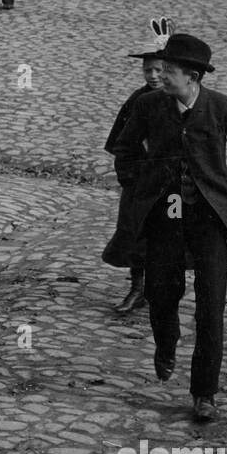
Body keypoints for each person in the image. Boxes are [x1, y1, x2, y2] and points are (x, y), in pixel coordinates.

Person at [110, 33, 227, 422]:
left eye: (168, 72)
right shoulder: (148, 106)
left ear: (193, 77)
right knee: (161, 294)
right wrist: (139, 185)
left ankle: (204, 393)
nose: (159, 77)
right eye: (159, 70)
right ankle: (166, 345)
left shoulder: (223, 109)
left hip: (209, 219)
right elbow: (124, 151)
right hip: (165, 216)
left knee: (211, 307)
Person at [102, 18, 171, 312]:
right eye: (148, 70)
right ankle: (137, 288)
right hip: (140, 182)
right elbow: (120, 144)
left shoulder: (179, 99)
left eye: (159, 70)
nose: (153, 75)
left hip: (170, 181)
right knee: (136, 233)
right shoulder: (138, 100)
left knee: (169, 237)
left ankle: (165, 291)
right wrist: (128, 176)